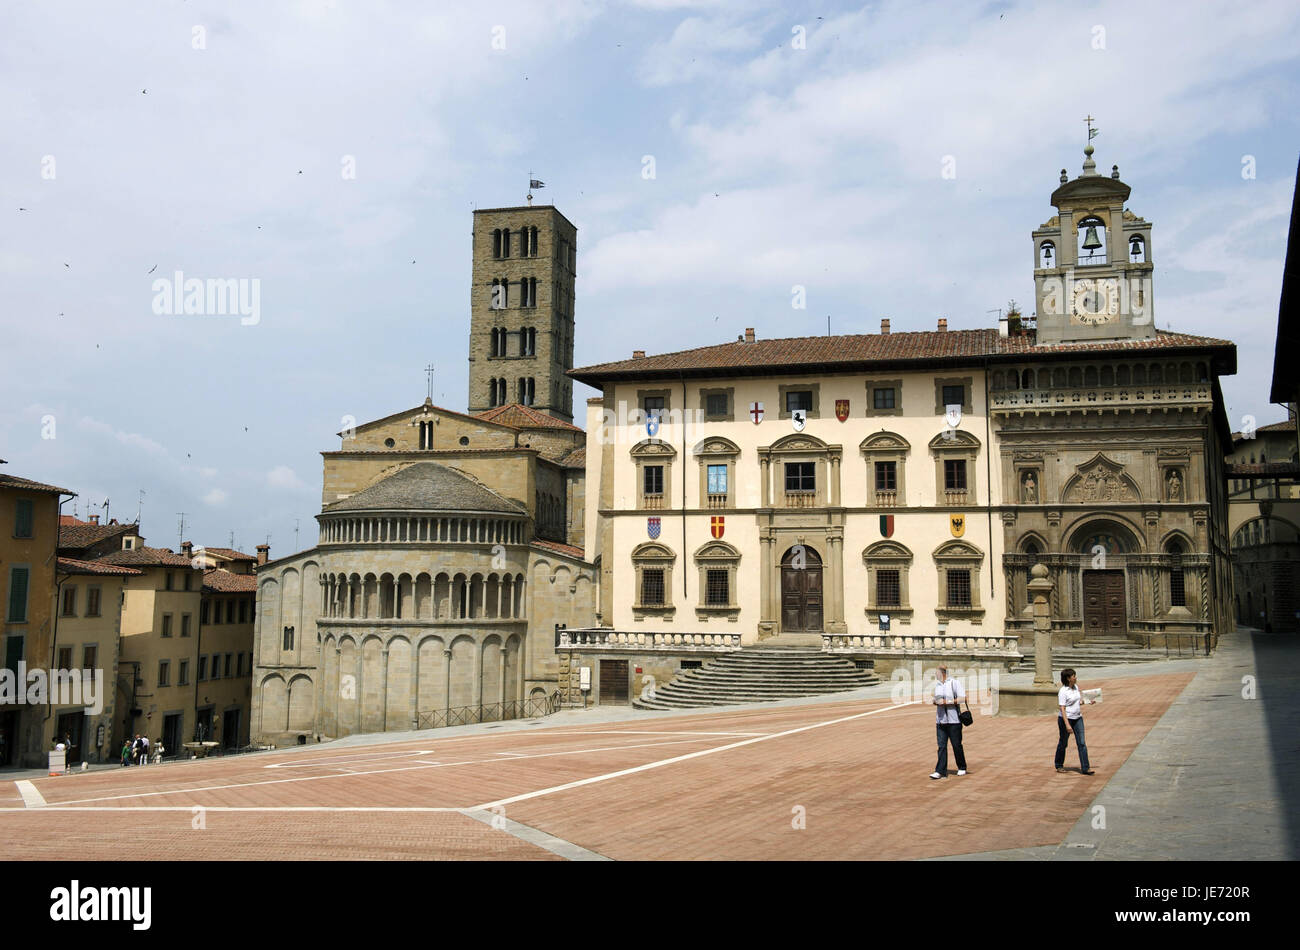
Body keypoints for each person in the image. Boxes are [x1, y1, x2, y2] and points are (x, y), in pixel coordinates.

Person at [930, 663, 967, 779]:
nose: (935, 675)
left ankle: (962, 767)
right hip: (941, 720)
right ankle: (940, 770)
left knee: (956, 745)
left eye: (936, 673)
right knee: (941, 746)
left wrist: (947, 702)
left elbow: (962, 698)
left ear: (942, 673)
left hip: (954, 720)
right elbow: (937, 698)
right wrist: (935, 701)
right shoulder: (938, 685)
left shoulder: (954, 683)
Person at [1056, 668, 1096, 775]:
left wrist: (1087, 701)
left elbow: (1078, 702)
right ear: (1068, 678)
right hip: (1066, 719)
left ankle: (1085, 768)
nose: (1076, 677)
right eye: (1074, 676)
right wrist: (1067, 724)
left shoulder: (1076, 687)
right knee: (1063, 743)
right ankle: (1059, 764)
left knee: (1082, 743)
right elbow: (1062, 708)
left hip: (1078, 718)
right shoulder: (1063, 691)